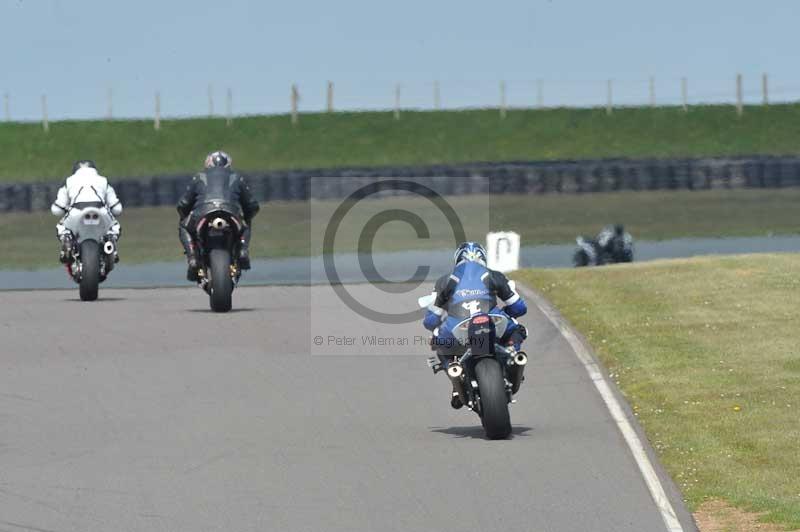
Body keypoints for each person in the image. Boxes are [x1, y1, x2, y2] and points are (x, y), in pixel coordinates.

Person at [422, 242, 528, 409]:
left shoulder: (444, 281)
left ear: (457, 260)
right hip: (493, 320)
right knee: (518, 329)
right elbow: (520, 308)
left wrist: (443, 320)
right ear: (483, 258)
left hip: (457, 326)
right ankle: (514, 356)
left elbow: (430, 321)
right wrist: (506, 311)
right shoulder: (495, 275)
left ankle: (454, 375)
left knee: (437, 341)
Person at [176, 151, 260, 281]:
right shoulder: (237, 177)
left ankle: (192, 257)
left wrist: (184, 215)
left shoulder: (199, 177)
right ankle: (243, 250)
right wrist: (246, 216)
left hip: (204, 213)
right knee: (245, 222)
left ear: (208, 163)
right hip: (231, 213)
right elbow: (253, 205)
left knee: (184, 226)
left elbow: (183, 204)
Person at [50, 160, 122, 263]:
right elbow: (117, 208)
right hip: (100, 209)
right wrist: (111, 210)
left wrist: (65, 209)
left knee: (61, 227)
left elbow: (57, 209)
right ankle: (111, 242)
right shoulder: (104, 180)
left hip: (76, 210)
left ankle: (67, 241)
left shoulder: (69, 181)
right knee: (115, 227)